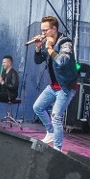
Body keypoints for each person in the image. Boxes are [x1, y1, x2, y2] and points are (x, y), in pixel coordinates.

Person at [30, 16, 79, 152]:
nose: (43, 33)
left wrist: (50, 48)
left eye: (45, 30)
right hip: (54, 86)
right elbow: (38, 61)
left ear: (54, 29)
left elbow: (62, 61)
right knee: (37, 107)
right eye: (42, 30)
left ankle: (57, 149)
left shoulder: (65, 43)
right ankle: (51, 132)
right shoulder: (47, 41)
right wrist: (38, 48)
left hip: (66, 86)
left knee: (56, 116)